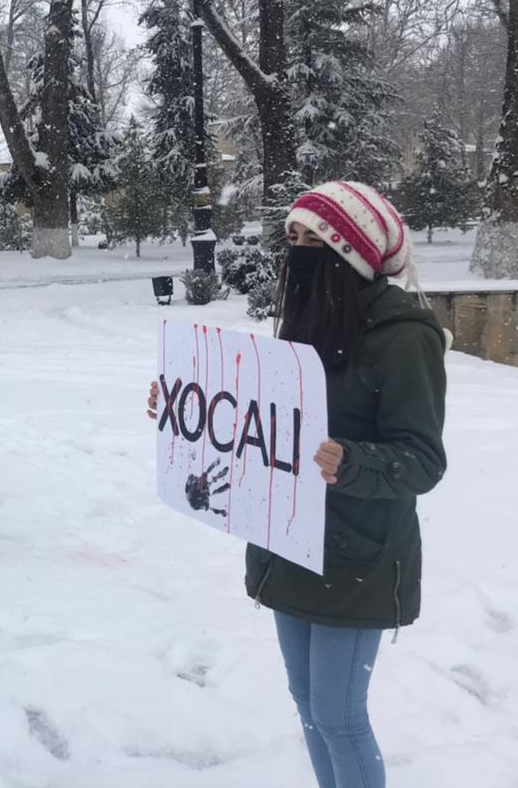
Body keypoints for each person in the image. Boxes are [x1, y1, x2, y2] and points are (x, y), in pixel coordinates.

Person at [148, 181, 448, 788]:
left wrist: (351, 461)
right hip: (289, 542)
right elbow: (264, 417)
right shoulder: (306, 323)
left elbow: (422, 459)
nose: (300, 250)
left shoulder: (403, 335)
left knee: (340, 717)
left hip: (357, 555)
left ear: (353, 252)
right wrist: (183, 405)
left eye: (317, 240)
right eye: (292, 237)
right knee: (309, 706)